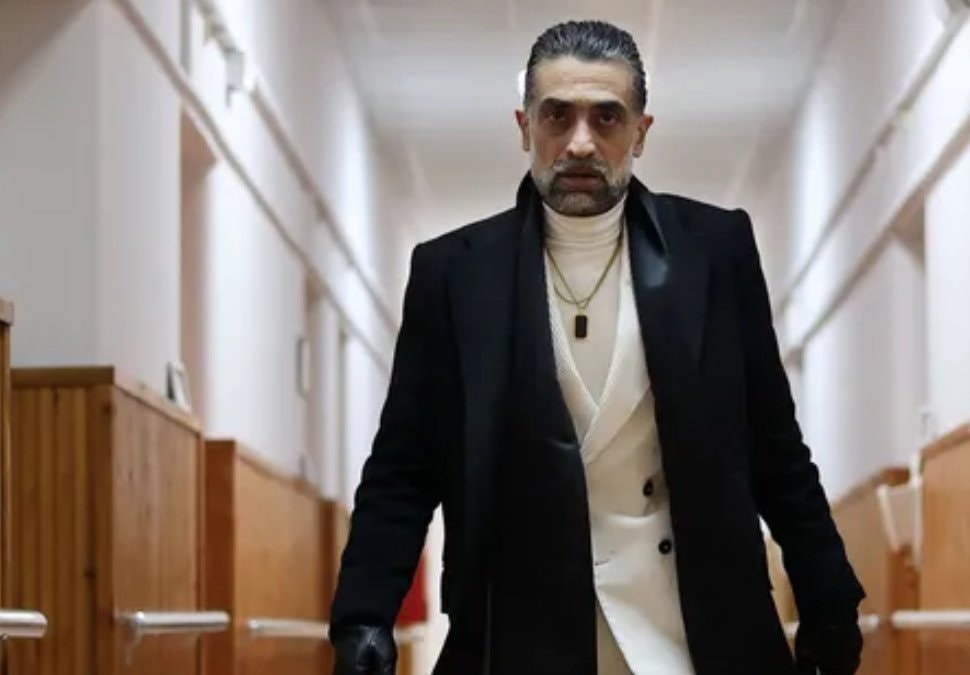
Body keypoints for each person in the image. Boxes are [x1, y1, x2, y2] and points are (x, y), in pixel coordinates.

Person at [329, 19, 864, 675]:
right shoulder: (454, 273)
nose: (580, 142)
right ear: (525, 126)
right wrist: (363, 611)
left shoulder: (715, 251)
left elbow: (774, 446)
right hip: (521, 634)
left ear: (641, 132)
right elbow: (404, 469)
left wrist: (828, 594)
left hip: (690, 627)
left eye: (606, 117)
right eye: (557, 115)